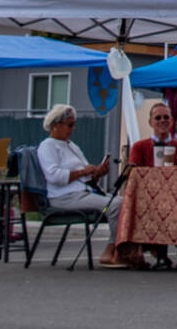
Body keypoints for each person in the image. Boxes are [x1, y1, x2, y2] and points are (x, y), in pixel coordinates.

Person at [35, 104, 128, 267]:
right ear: (56, 125)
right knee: (115, 206)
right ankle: (111, 249)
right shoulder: (47, 146)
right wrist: (83, 172)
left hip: (82, 193)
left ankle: (124, 249)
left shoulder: (72, 146)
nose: (72, 129)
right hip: (63, 197)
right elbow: (54, 176)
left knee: (123, 202)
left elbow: (87, 179)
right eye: (69, 125)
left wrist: (97, 172)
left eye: (74, 125)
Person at [126, 102, 177, 270]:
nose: (162, 121)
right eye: (158, 117)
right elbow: (134, 174)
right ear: (150, 122)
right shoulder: (139, 147)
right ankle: (151, 252)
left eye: (166, 117)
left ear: (172, 120)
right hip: (148, 198)